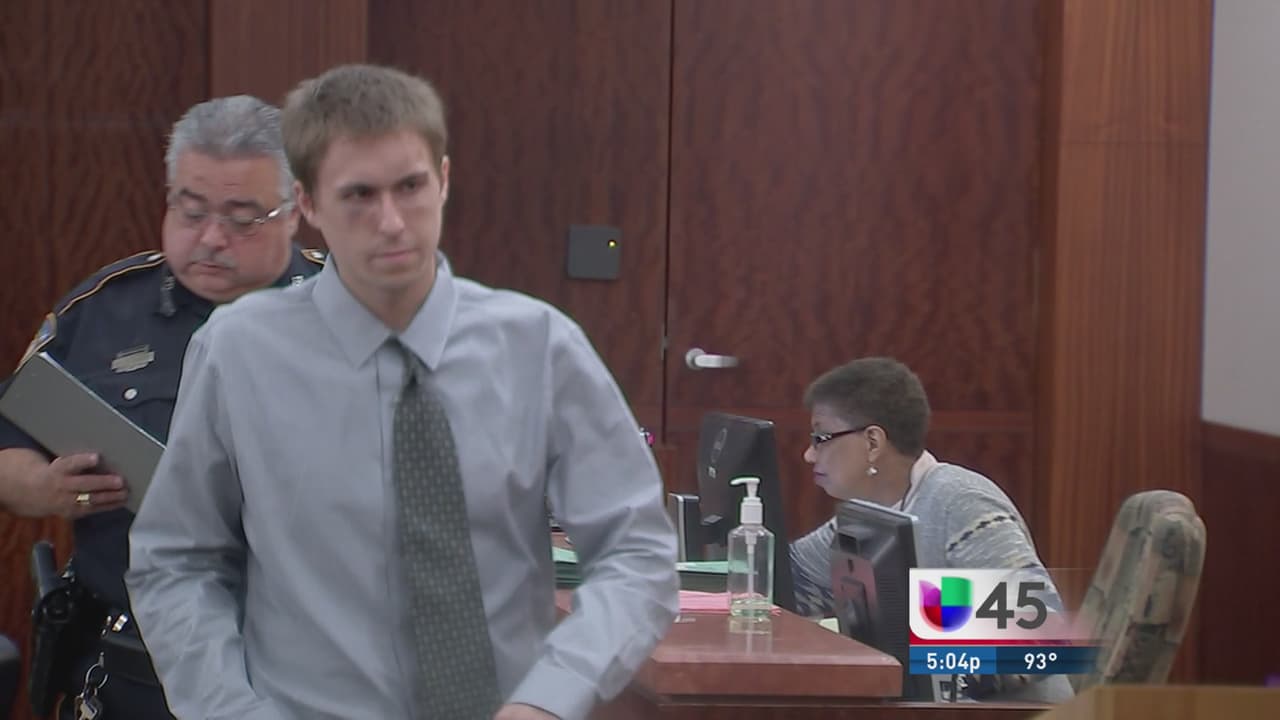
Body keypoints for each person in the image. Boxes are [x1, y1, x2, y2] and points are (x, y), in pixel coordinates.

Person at [126, 64, 679, 720]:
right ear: (307, 205)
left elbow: (636, 552)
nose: (391, 222)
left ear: (443, 180)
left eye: (410, 187)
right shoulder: (238, 352)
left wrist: (550, 698)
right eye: (359, 195)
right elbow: (177, 563)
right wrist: (232, 712)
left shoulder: (539, 346)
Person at [0, 95, 324, 719]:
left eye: (242, 218)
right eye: (190, 210)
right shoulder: (102, 310)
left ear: (296, 210)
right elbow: (9, 441)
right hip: (127, 671)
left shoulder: (357, 319)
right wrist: (43, 488)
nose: (211, 238)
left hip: (298, 674)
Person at [788, 356, 1074, 703]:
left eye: (821, 438)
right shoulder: (869, 513)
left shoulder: (960, 502)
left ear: (873, 443)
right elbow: (790, 583)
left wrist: (930, 658)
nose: (809, 455)